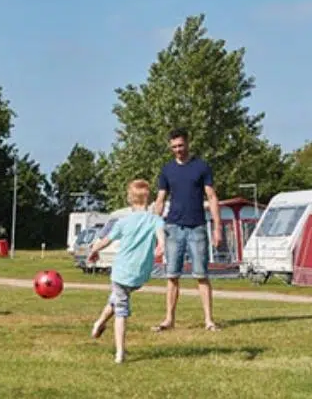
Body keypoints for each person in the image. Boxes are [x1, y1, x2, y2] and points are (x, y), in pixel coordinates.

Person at [152, 127, 222, 333]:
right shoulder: (166, 170)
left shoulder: (201, 167)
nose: (178, 150)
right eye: (174, 147)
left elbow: (212, 197)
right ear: (170, 147)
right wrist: (154, 229)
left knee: (201, 275)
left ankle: (209, 320)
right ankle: (169, 320)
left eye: (181, 145)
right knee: (172, 275)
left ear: (188, 143)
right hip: (173, 228)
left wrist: (217, 228)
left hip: (197, 228)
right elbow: (160, 199)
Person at [87, 179, 165, 364]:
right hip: (140, 274)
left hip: (121, 271)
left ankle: (119, 351)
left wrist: (93, 251)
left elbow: (105, 240)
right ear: (149, 199)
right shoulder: (155, 220)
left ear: (129, 199)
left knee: (119, 306)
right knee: (120, 302)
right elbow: (162, 237)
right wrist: (161, 246)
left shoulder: (123, 222)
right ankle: (103, 329)